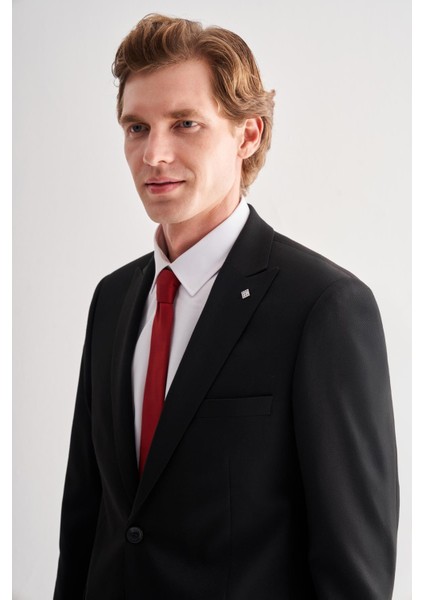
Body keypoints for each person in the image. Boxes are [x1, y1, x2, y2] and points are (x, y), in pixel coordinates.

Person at [53, 13, 399, 600]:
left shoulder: (323, 307)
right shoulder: (112, 299)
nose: (154, 154)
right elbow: (86, 523)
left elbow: (352, 572)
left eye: (184, 123)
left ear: (248, 135)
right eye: (137, 128)